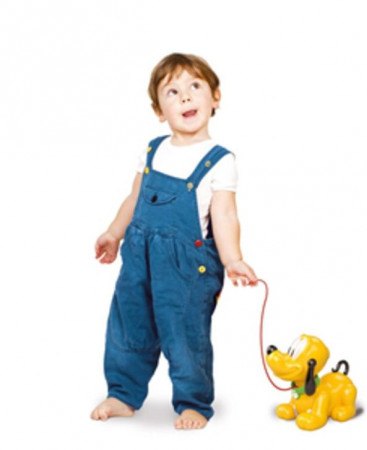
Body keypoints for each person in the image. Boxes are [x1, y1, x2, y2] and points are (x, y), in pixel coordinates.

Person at [90, 53, 258, 430]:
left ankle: (192, 402)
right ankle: (122, 393)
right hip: (139, 259)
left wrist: (233, 259)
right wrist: (114, 233)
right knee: (128, 323)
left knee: (184, 332)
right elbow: (134, 198)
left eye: (195, 86)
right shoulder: (152, 150)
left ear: (215, 97)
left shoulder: (219, 160)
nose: (185, 96)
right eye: (172, 91)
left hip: (186, 268)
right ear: (158, 110)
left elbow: (225, 215)